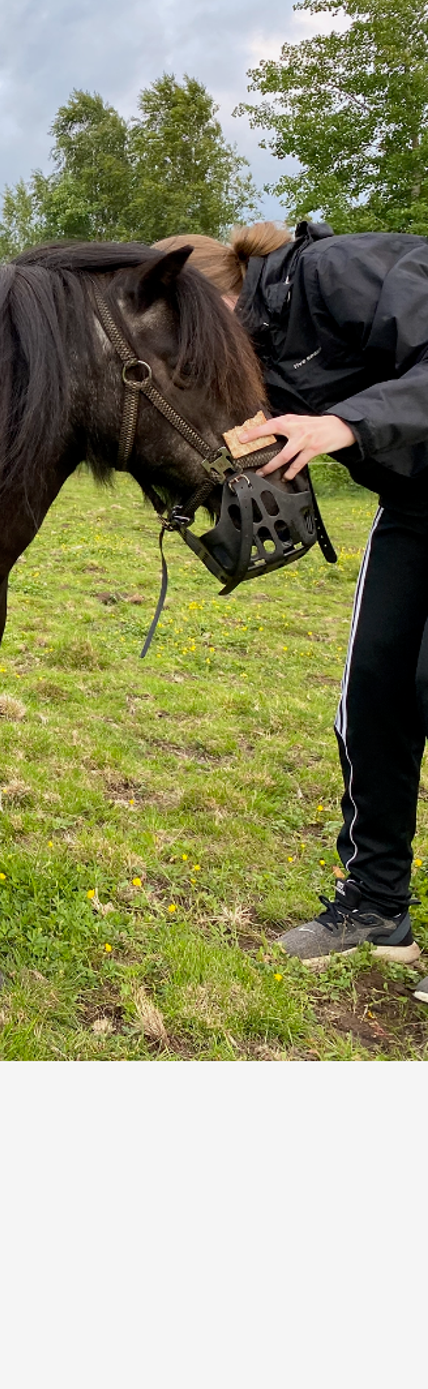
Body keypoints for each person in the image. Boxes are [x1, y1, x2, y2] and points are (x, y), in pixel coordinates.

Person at [154, 218, 428, 995]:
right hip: (416, 505)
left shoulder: (334, 272)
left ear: (216, 301)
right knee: (373, 694)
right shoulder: (255, 354)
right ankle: (376, 906)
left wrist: (344, 423)